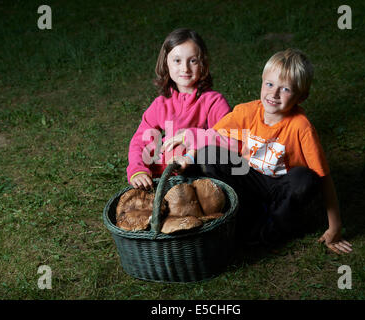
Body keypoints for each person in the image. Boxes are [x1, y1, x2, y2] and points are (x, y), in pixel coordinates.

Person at [173, 48, 352, 254]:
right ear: (262, 82)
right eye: (269, 84)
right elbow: (211, 136)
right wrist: (188, 157)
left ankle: (268, 231)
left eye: (285, 89)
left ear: (301, 97)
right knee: (208, 153)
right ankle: (243, 212)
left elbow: (324, 177)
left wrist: (335, 227)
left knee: (306, 178)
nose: (274, 94)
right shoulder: (247, 111)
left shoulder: (302, 127)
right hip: (250, 179)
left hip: (280, 186)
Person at [127, 28, 231, 189]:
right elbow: (140, 140)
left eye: (193, 61)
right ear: (166, 63)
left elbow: (228, 138)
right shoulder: (161, 103)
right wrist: (138, 170)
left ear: (203, 64)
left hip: (202, 174)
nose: (185, 68)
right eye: (177, 60)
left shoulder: (214, 101)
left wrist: (190, 138)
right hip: (168, 172)